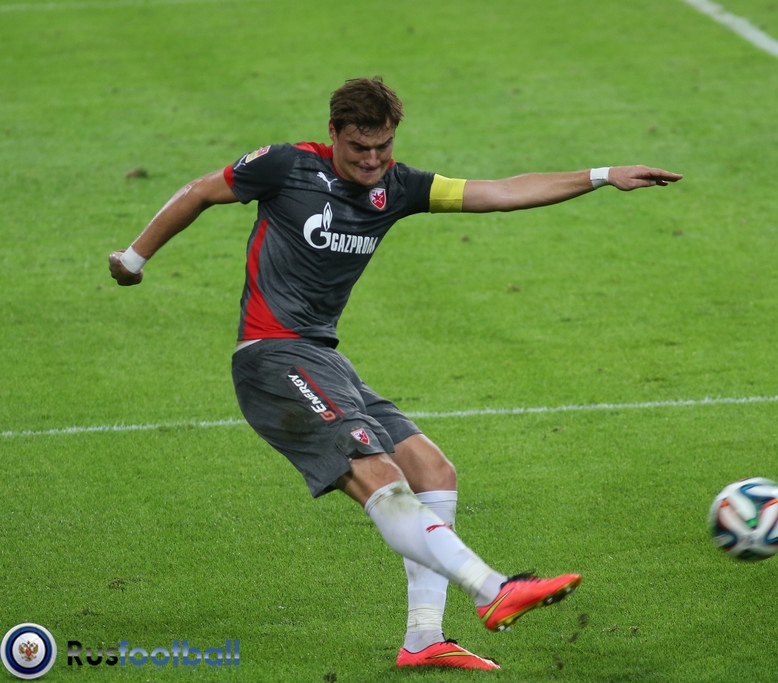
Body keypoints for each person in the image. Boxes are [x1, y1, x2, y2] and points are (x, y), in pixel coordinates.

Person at [108, 76, 683, 670]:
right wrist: (133, 258)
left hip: (324, 359)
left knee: (433, 471)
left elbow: (502, 191)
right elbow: (200, 192)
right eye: (359, 148)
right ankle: (493, 589)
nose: (372, 160)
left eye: (383, 147)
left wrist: (602, 175)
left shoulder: (399, 186)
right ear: (333, 134)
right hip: (272, 357)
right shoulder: (285, 166)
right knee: (378, 473)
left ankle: (424, 639)